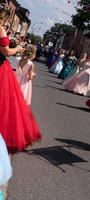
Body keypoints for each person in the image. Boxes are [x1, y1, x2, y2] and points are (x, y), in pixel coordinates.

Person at [0, 3, 41, 152]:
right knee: (6, 104)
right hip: (1, 67)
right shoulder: (0, 29)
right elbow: (5, 52)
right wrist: (17, 48)